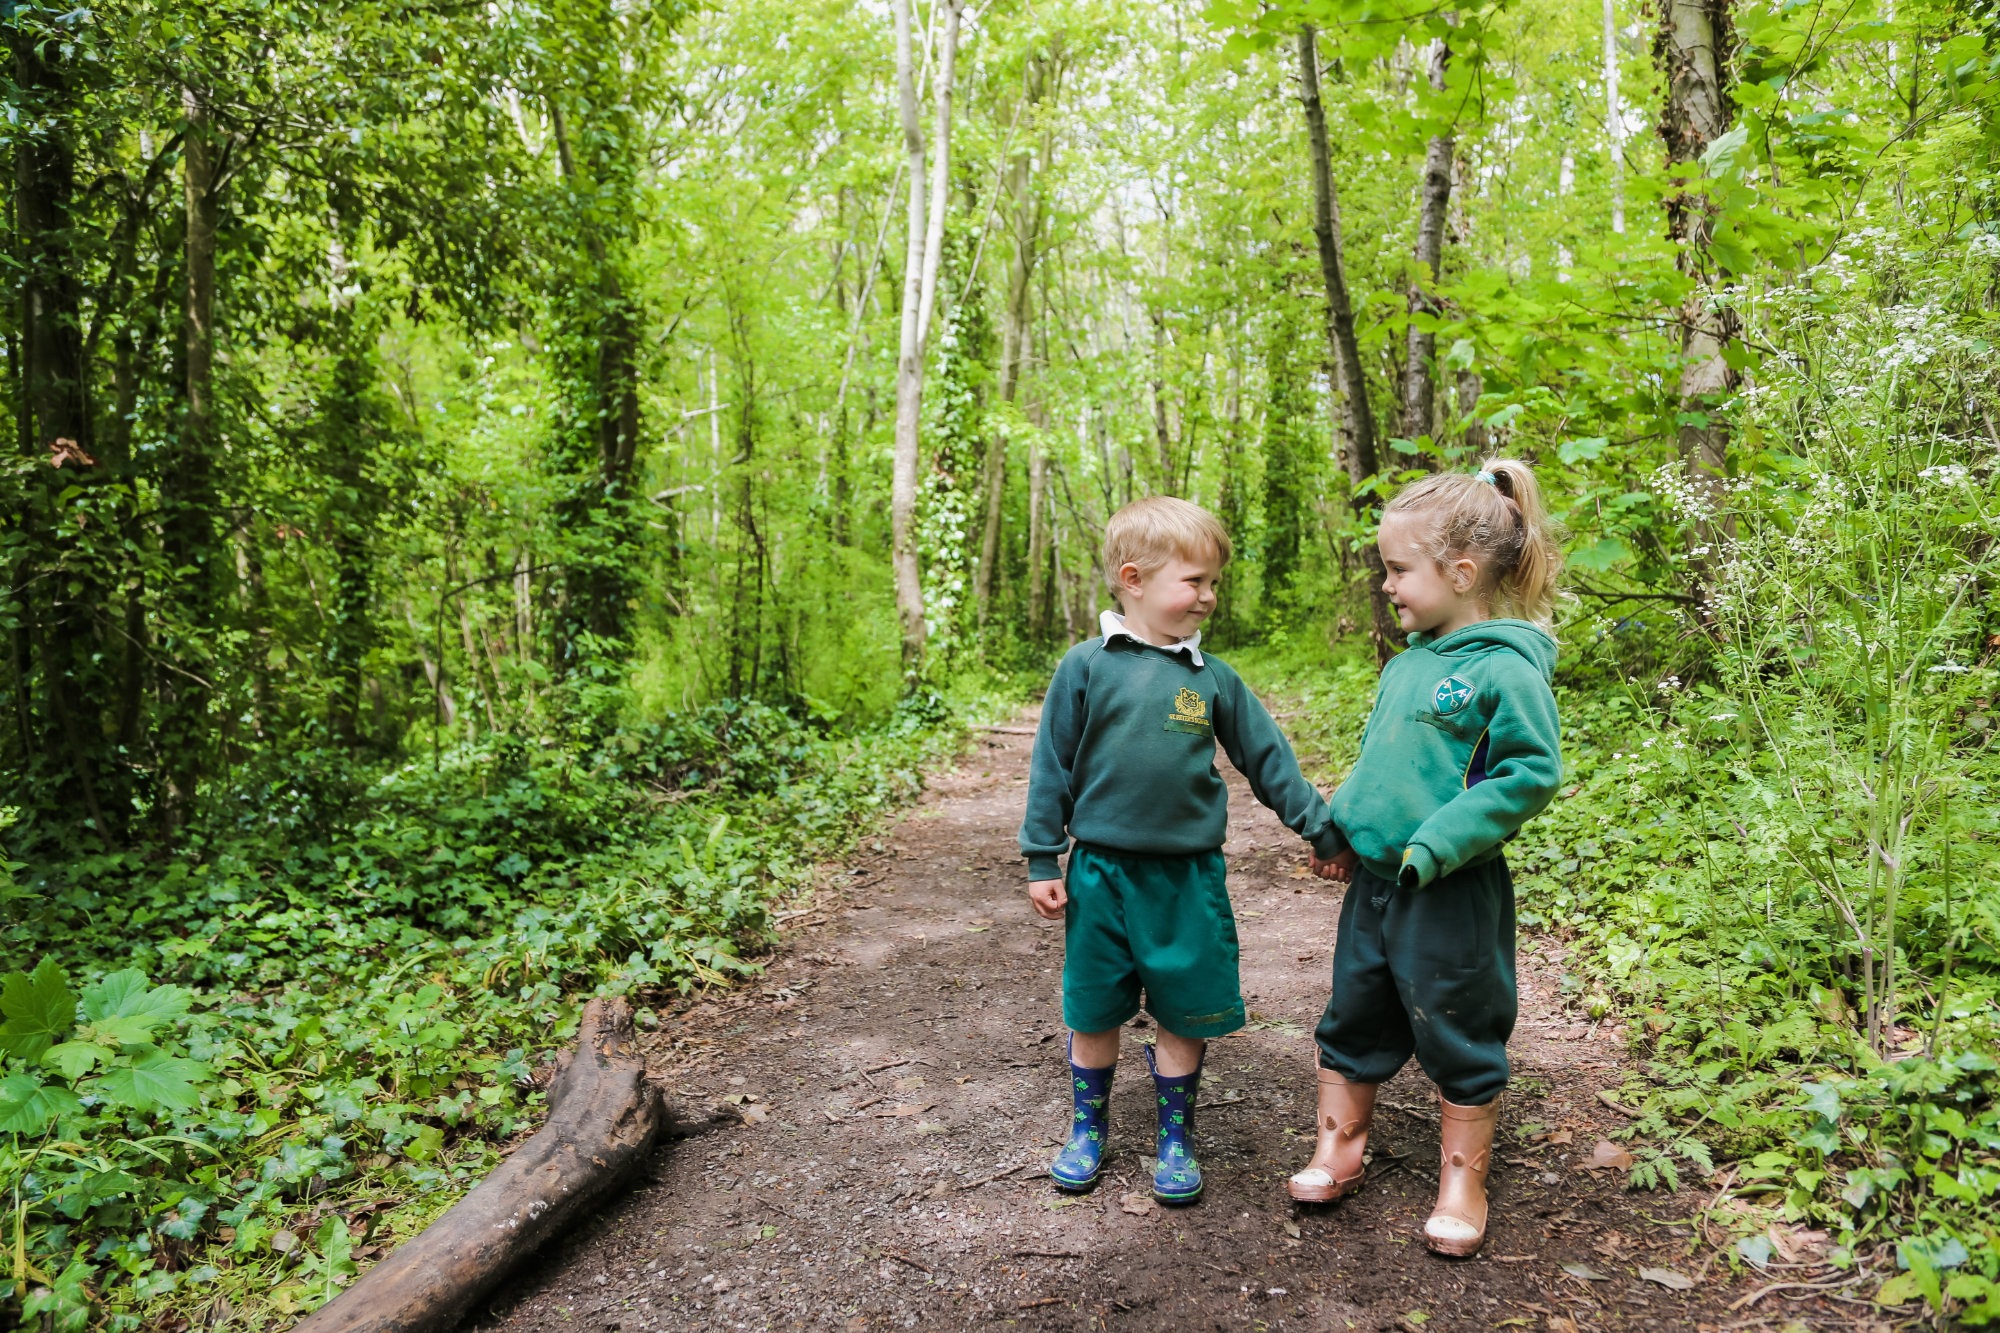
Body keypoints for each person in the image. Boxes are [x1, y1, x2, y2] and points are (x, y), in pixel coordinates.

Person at [1019, 496, 1344, 1205]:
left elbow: (1268, 760)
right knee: (1094, 1007)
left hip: (1187, 877)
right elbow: (1053, 765)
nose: (1209, 597)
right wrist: (1044, 856)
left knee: (1184, 1005)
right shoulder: (1087, 666)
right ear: (1133, 579)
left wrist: (1318, 826)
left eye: (1213, 583)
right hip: (1102, 874)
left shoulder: (1212, 678)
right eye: (1194, 582)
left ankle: (1175, 1136)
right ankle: (1087, 1127)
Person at [1288, 459, 1565, 1259]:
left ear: (1463, 571)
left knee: (1460, 1022)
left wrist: (1438, 841)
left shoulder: (1504, 668)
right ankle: (1339, 1147)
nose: (1386, 584)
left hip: (1449, 891)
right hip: (1374, 888)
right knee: (1356, 1008)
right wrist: (1345, 828)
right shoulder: (1408, 662)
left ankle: (1461, 1181)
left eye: (1398, 569)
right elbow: (1387, 764)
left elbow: (1528, 772)